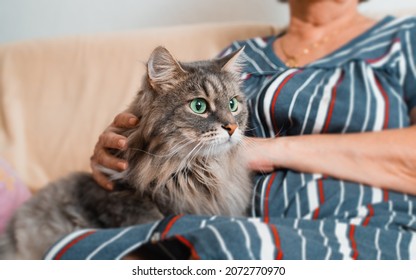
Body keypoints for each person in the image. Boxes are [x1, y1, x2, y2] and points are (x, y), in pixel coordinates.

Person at [47, 0, 416, 259]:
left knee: (225, 247)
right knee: (67, 250)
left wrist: (268, 150)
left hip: (358, 230)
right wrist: (125, 147)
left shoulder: (404, 39)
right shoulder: (242, 53)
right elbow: (170, 120)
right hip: (217, 225)